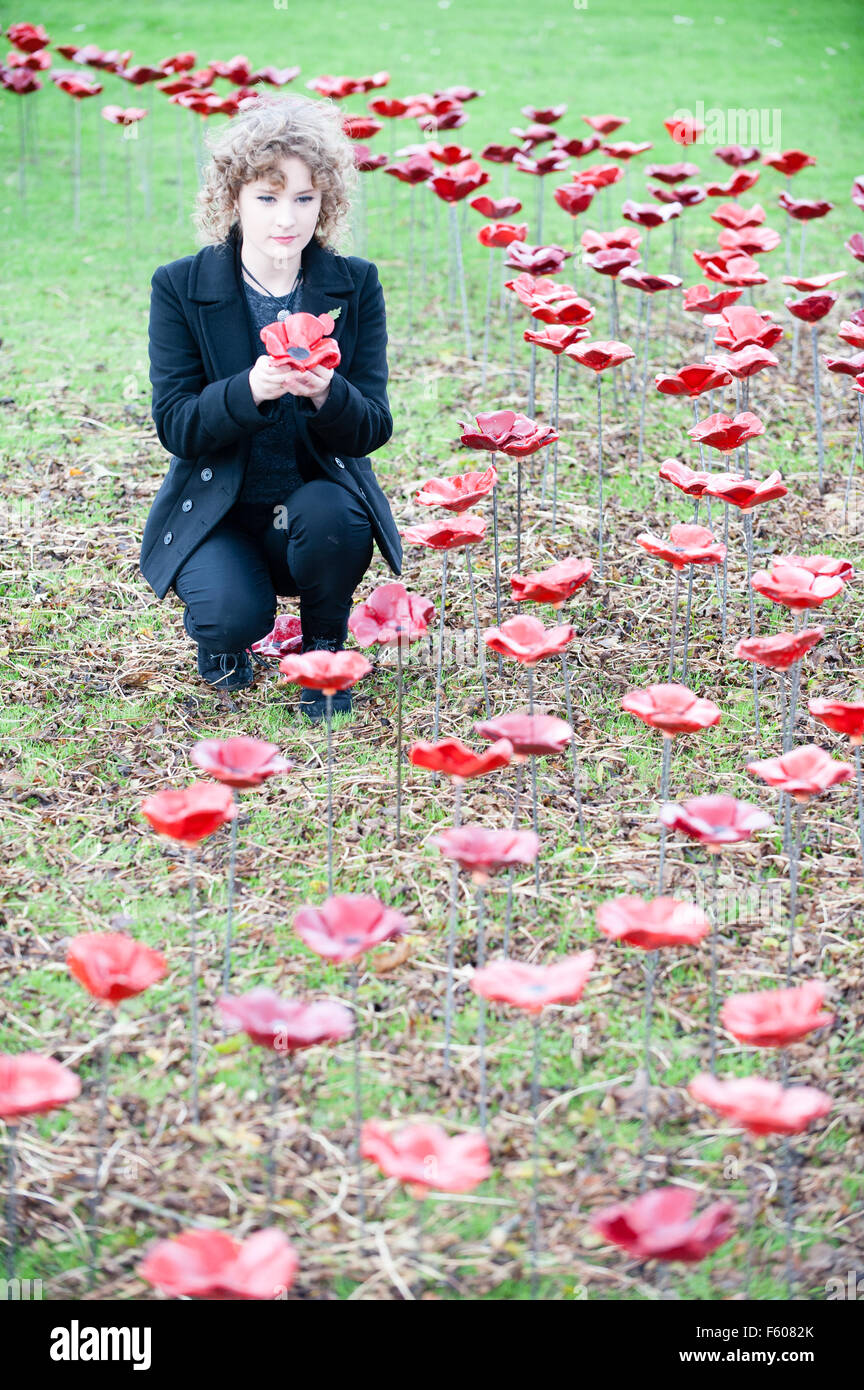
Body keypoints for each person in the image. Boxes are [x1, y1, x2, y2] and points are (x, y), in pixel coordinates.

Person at [139, 94, 402, 721]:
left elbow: (373, 427)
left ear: (326, 202)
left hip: (312, 511)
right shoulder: (180, 285)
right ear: (233, 199)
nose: (286, 218)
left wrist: (326, 393)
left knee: (334, 510)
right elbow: (175, 423)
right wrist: (250, 389)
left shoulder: (352, 282)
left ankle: (323, 655)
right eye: (267, 197)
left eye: (304, 199)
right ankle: (225, 635)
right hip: (219, 511)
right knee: (230, 616)